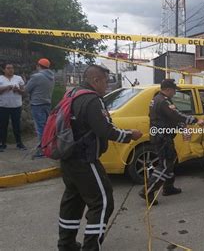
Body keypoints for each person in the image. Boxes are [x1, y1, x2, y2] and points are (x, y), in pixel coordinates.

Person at [57, 65, 143, 251]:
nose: (108, 85)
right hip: (85, 160)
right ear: (95, 80)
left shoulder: (73, 94)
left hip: (68, 158)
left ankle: (66, 244)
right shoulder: (92, 100)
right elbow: (105, 130)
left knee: (73, 201)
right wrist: (130, 135)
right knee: (103, 202)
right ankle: (91, 247)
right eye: (106, 80)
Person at [139, 79, 204, 205]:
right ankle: (147, 191)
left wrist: (181, 127)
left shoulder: (156, 99)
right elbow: (176, 115)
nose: (175, 93)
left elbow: (167, 118)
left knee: (170, 159)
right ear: (168, 89)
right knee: (165, 164)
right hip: (163, 137)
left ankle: (168, 187)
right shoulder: (163, 101)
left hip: (160, 135)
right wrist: (195, 120)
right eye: (174, 90)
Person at [25, 58, 55, 157]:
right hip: (47, 103)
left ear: (38, 65)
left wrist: (18, 89)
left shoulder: (37, 76)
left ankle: (42, 150)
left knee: (40, 128)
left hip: (37, 104)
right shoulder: (51, 76)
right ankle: (48, 146)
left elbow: (26, 89)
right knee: (46, 127)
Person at [0, 62, 27, 152]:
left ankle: (19, 143)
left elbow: (24, 92)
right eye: (8, 68)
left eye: (12, 68)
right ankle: (2, 144)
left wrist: (18, 90)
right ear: (3, 69)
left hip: (16, 106)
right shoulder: (0, 78)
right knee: (3, 125)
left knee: (17, 125)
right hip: (3, 106)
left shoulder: (18, 78)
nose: (11, 70)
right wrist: (6, 87)